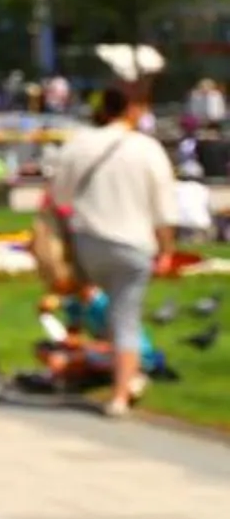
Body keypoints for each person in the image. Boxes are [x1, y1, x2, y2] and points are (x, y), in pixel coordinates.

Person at [51, 83, 178, 417]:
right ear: (135, 109)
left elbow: (60, 196)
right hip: (132, 244)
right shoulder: (147, 149)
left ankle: (81, 362)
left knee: (89, 307)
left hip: (88, 243)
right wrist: (166, 249)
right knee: (126, 319)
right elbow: (163, 209)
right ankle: (121, 393)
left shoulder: (80, 144)